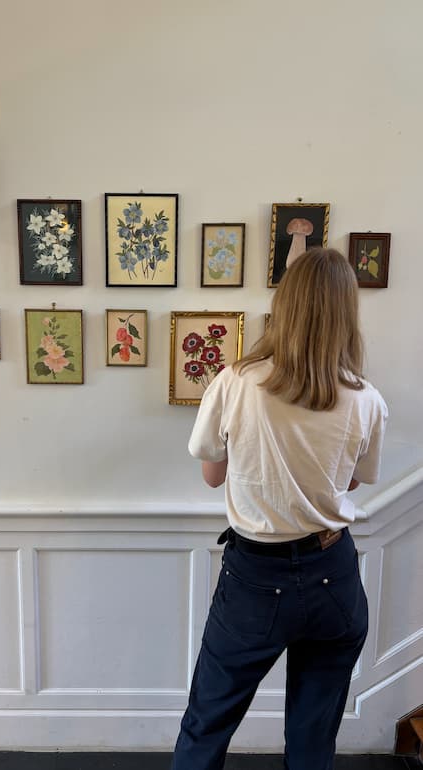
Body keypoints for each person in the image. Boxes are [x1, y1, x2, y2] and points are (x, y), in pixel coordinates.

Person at [171, 248, 388, 770]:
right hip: (333, 571)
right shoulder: (365, 398)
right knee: (313, 738)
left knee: (208, 722)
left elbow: (212, 475)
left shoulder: (235, 383)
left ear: (283, 305)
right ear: (346, 314)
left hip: (255, 575)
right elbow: (352, 480)